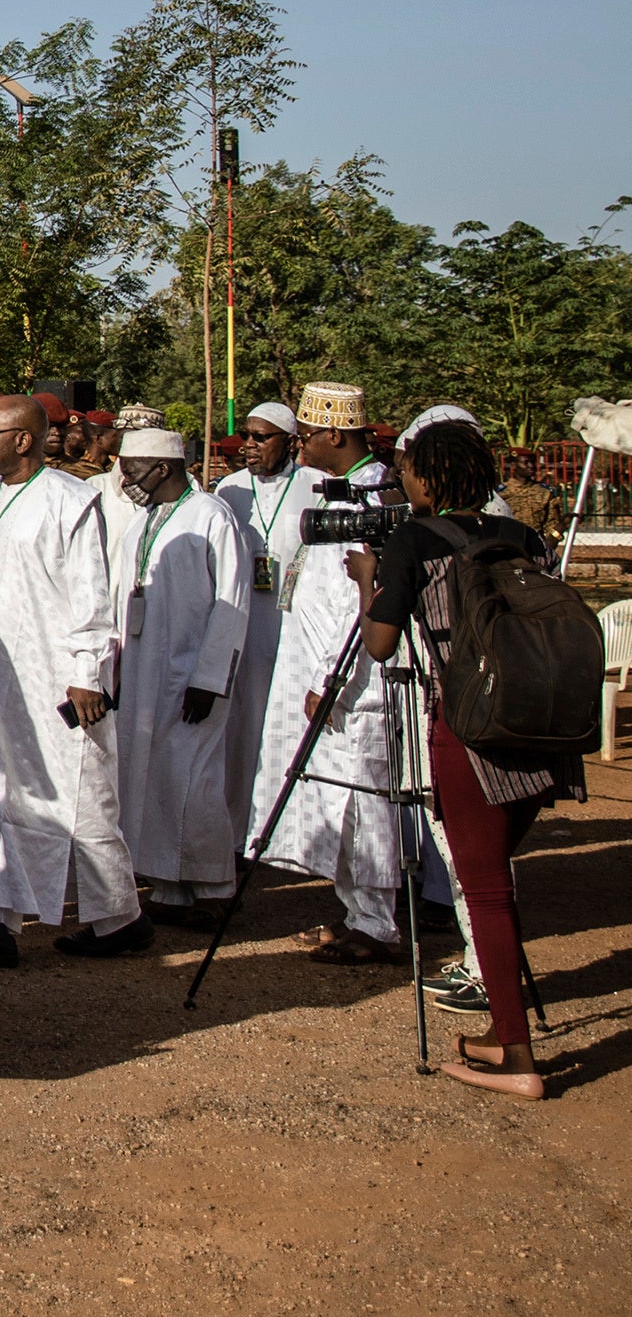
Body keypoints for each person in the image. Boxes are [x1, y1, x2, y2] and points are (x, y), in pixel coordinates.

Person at [348, 414, 578, 1098]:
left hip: (469, 729)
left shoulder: (412, 540)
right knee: (493, 885)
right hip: (538, 729)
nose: (402, 478)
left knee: (484, 895)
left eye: (410, 468)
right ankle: (503, 1036)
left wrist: (368, 577)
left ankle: (517, 1059)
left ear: (432, 475)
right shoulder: (523, 536)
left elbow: (381, 646)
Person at [0, 395, 145, 966]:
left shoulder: (71, 499)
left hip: (52, 673)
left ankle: (118, 917)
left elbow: (94, 594)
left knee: (79, 788)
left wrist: (87, 672)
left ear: (25, 439)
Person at [247, 381, 420, 967]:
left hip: (355, 680)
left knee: (364, 797)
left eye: (310, 435)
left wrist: (329, 679)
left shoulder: (374, 502)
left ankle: (378, 923)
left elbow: (358, 605)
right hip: (324, 673)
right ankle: (355, 913)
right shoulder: (339, 494)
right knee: (334, 795)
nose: (300, 444)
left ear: (337, 436)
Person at [109, 426, 253, 919]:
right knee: (153, 778)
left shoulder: (212, 516)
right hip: (144, 670)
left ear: (164, 467)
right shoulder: (143, 520)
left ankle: (214, 889)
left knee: (196, 780)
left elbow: (231, 603)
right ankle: (169, 887)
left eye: (130, 468)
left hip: (191, 675)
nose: (123, 477)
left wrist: (210, 678)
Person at [212, 401, 312, 828]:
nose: (248, 446)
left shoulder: (316, 485)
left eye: (260, 437)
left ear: (290, 442)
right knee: (242, 728)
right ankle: (240, 825)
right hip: (247, 627)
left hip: (296, 630)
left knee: (290, 727)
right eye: (246, 437)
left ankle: (289, 824)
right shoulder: (228, 490)